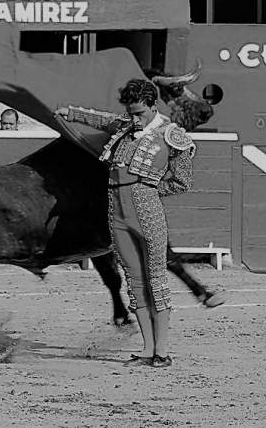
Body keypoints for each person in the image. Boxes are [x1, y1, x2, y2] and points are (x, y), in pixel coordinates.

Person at [55, 79, 195, 368]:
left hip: (146, 208)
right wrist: (70, 112)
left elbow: (182, 181)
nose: (133, 119)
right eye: (130, 113)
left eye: (139, 113)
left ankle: (162, 351)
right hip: (116, 209)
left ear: (153, 106)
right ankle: (147, 349)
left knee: (155, 279)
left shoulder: (172, 135)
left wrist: (150, 189)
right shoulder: (124, 127)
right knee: (134, 279)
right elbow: (100, 118)